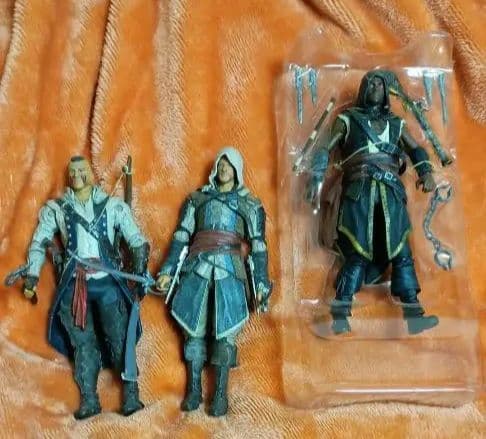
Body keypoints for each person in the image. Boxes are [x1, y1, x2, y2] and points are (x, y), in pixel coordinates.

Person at [306, 70, 439, 335]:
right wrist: (317, 176)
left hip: (391, 192)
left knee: (402, 252)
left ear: (386, 91)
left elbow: (415, 148)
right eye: (371, 83)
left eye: (380, 83)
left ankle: (414, 314)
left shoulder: (396, 123)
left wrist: (425, 171)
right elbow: (324, 148)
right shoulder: (348, 119)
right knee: (358, 253)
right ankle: (340, 312)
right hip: (360, 192)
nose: (375, 87)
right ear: (363, 89)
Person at [23, 156, 149, 419]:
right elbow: (39, 241)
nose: (77, 175)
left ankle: (131, 396)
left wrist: (139, 273)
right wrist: (32, 275)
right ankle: (89, 400)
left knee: (120, 339)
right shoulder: (57, 209)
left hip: (107, 283)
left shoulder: (112, 206)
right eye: (72, 171)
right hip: (74, 285)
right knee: (83, 345)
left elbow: (136, 241)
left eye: (82, 170)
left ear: (90, 174)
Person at [156, 147, 271, 417]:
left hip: (230, 271)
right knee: (193, 331)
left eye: (229, 165)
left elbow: (258, 246)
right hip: (196, 268)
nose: (224, 169)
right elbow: (181, 237)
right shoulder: (197, 199)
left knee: (225, 334)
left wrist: (261, 282)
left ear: (237, 170)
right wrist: (168, 271)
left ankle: (220, 394)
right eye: (221, 164)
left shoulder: (249, 204)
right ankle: (194, 389)